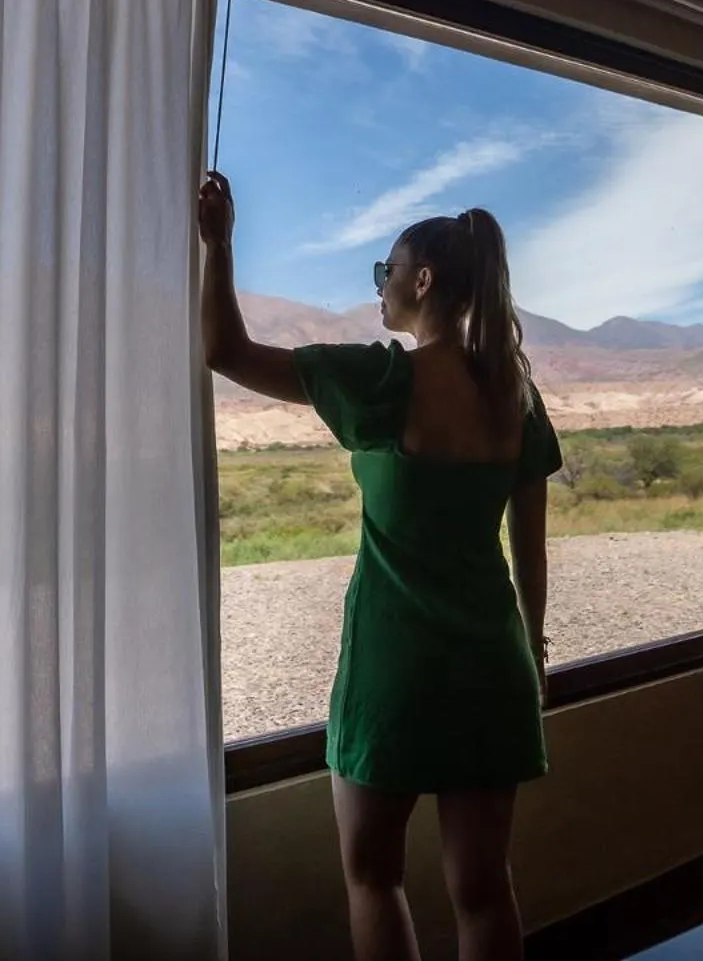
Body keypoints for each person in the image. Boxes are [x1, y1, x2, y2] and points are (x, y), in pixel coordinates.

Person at [198, 171, 559, 961]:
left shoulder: (383, 377)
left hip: (393, 669)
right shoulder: (516, 395)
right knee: (484, 888)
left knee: (373, 877)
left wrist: (219, 244)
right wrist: (533, 652)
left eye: (385, 270)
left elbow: (222, 350)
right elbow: (529, 551)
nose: (380, 286)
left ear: (421, 280)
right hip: (491, 667)